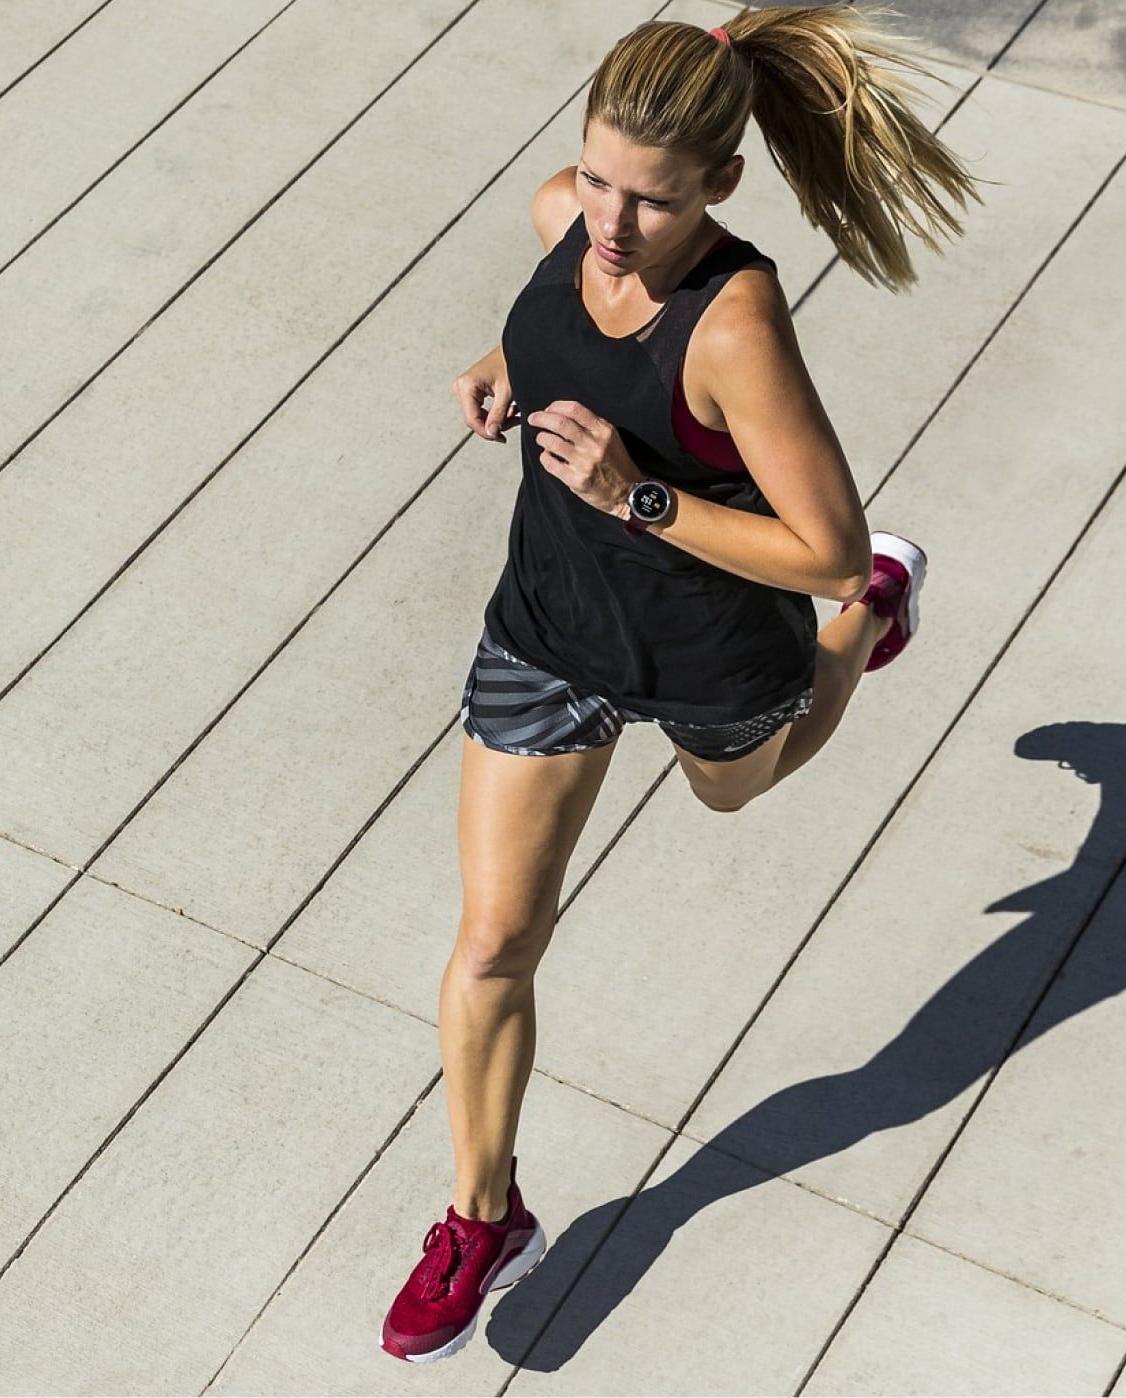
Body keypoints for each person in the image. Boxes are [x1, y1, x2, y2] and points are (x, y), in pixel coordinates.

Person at [381, 5, 985, 1364]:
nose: (609, 221)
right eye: (596, 178)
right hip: (547, 628)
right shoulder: (565, 219)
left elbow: (818, 539)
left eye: (650, 200)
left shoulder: (735, 322)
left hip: (713, 641)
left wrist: (636, 491)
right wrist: (501, 364)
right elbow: (553, 315)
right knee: (492, 943)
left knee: (737, 788)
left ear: (720, 185)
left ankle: (872, 626)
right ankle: (485, 1213)